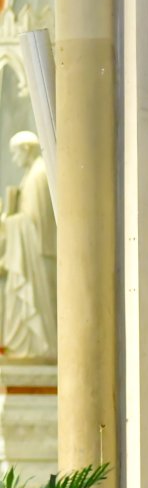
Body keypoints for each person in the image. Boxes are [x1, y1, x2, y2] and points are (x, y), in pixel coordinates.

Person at [0, 131, 56, 357]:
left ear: (26, 149)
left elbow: (33, 222)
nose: (15, 159)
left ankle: (34, 349)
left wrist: (7, 219)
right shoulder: (32, 174)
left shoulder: (38, 175)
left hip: (35, 254)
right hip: (30, 252)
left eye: (15, 154)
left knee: (35, 307)